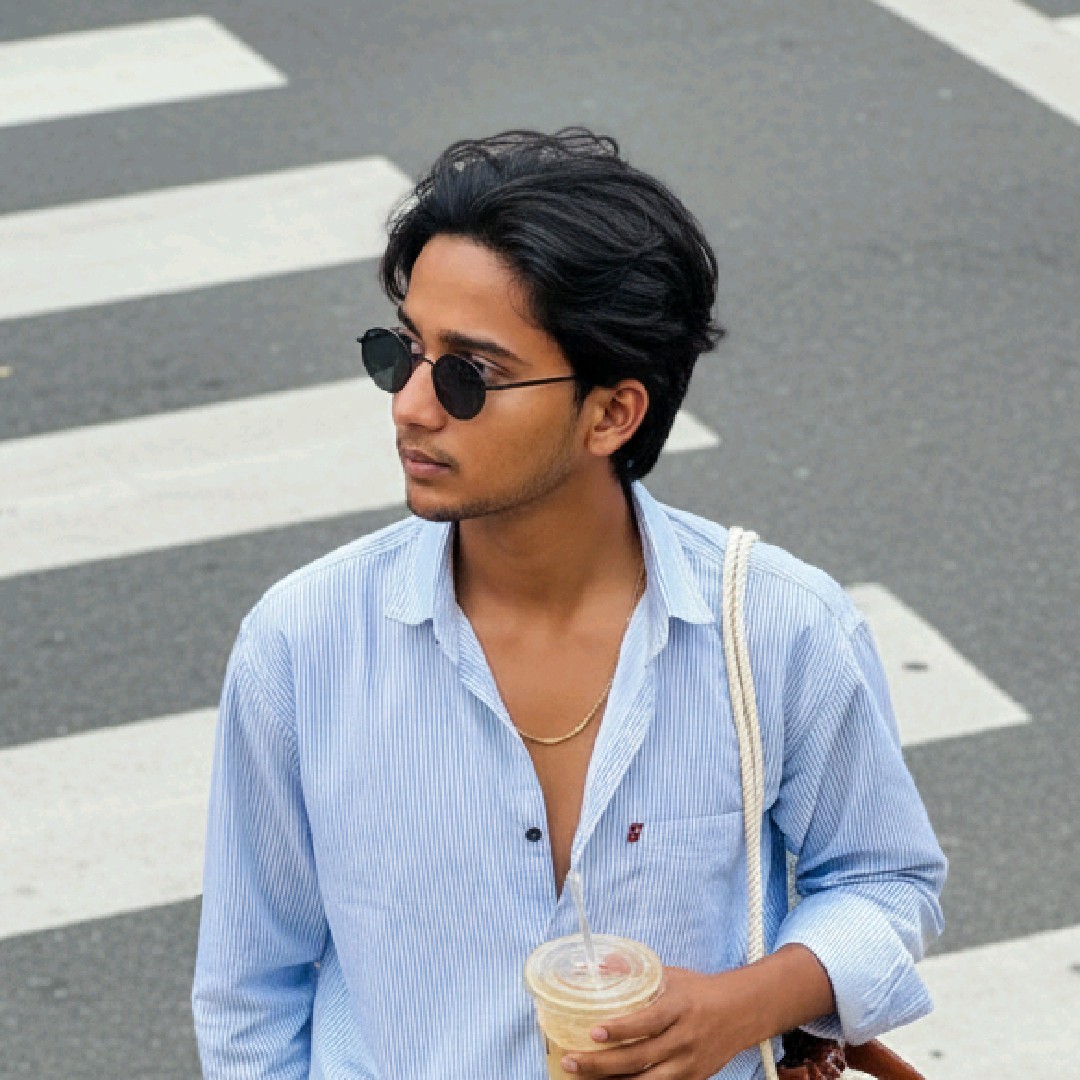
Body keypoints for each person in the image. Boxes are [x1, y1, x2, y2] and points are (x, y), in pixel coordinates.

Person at [192, 128, 945, 1080]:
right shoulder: (303, 644)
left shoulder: (777, 627)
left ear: (612, 413)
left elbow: (886, 880)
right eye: (404, 352)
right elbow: (251, 991)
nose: (411, 406)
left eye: (470, 375)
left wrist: (740, 1007)